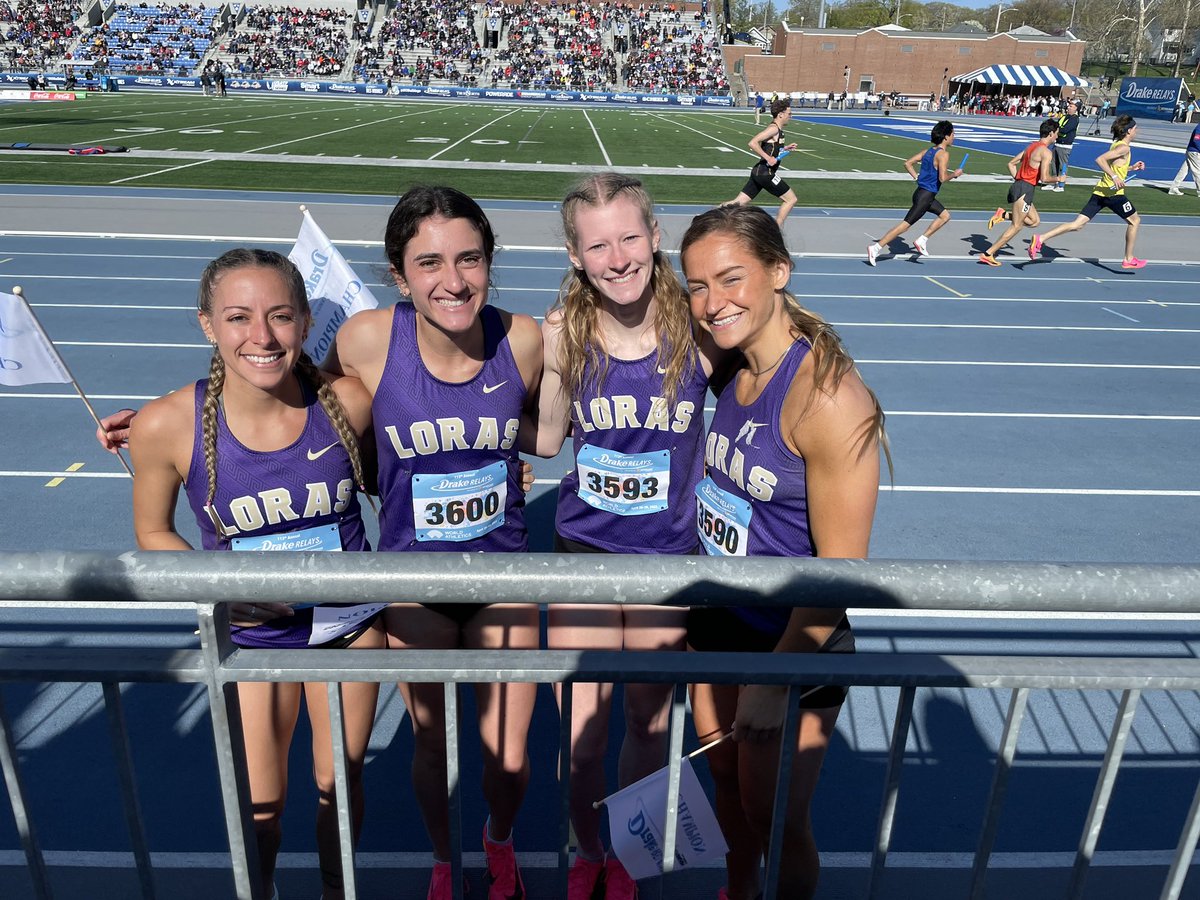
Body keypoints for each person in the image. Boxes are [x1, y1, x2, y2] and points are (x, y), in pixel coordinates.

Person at [127, 248, 384, 900]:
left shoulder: (349, 402)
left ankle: (336, 892)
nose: (262, 336)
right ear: (208, 324)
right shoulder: (166, 424)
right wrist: (217, 588)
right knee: (262, 807)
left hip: (349, 628)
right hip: (253, 642)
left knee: (339, 786)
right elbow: (153, 532)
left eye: (280, 316)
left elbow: (396, 479)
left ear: (304, 321)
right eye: (239, 317)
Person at [332, 186, 543, 900]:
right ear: (399, 276)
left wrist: (511, 462)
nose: (452, 281)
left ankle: (498, 839)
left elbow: (546, 425)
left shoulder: (522, 340)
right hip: (414, 581)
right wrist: (171, 423)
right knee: (432, 742)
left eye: (469, 259)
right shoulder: (365, 340)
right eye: (429, 263)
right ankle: (445, 859)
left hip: (503, 578)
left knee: (509, 756)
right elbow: (302, 410)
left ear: (489, 263)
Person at [680, 205, 885, 900]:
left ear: (779, 271)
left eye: (730, 278)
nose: (713, 302)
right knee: (726, 787)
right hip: (718, 625)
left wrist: (774, 679)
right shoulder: (733, 365)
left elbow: (840, 573)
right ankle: (738, 891)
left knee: (774, 817)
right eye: (697, 286)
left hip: (791, 643)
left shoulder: (827, 399)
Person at [529, 172, 724, 900]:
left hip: (666, 562)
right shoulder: (565, 332)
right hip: (584, 554)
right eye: (598, 246)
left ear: (656, 236)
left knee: (646, 723)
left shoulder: (698, 331)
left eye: (630, 238)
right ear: (574, 256)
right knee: (581, 738)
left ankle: (628, 857)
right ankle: (587, 851)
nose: (617, 259)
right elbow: (548, 438)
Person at [1028, 114, 1148, 270]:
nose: (1137, 131)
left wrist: (1131, 168)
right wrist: (1114, 177)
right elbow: (1100, 160)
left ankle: (1041, 238)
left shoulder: (1117, 144)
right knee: (1135, 221)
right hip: (1113, 195)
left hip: (1100, 192)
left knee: (1077, 225)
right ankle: (1128, 259)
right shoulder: (1124, 147)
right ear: (1129, 131)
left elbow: (1116, 165)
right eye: (1135, 128)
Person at [867, 120, 963, 265]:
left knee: (945, 216)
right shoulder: (943, 154)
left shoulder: (927, 151)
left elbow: (907, 163)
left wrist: (916, 177)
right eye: (953, 134)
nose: (954, 137)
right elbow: (942, 178)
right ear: (946, 136)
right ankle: (876, 248)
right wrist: (955, 174)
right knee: (904, 226)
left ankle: (922, 240)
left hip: (922, 194)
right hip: (925, 197)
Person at [978, 118, 1065, 267]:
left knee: (1034, 221)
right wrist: (1058, 179)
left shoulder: (1031, 147)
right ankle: (988, 254)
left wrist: (1019, 180)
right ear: (1051, 133)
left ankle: (1003, 215)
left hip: (1021, 187)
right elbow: (1044, 178)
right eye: (1057, 133)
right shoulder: (1046, 152)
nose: (1057, 136)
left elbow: (1011, 164)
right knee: (1017, 226)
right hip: (1025, 189)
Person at [725, 96, 800, 227]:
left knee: (739, 202)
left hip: (759, 172)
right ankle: (776, 230)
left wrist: (785, 148)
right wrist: (768, 158)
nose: (791, 116)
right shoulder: (773, 129)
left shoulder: (777, 130)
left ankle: (708, 216)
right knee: (791, 199)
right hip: (766, 173)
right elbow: (753, 143)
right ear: (781, 115)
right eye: (789, 113)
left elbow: (771, 148)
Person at [1044, 98, 1079, 193]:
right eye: (1069, 106)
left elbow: (1065, 129)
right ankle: (1053, 182)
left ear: (1076, 108)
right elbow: (1057, 126)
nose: (1068, 107)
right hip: (1057, 143)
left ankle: (1061, 184)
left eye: (1071, 106)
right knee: (1054, 164)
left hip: (1065, 145)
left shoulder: (1074, 119)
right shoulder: (1064, 116)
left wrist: (1057, 130)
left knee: (1062, 165)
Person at [1167, 120, 1200, 197]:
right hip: (1194, 152)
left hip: (1192, 151)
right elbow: (1196, 140)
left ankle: (1174, 188)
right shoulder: (1199, 127)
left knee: (1184, 170)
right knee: (1197, 171)